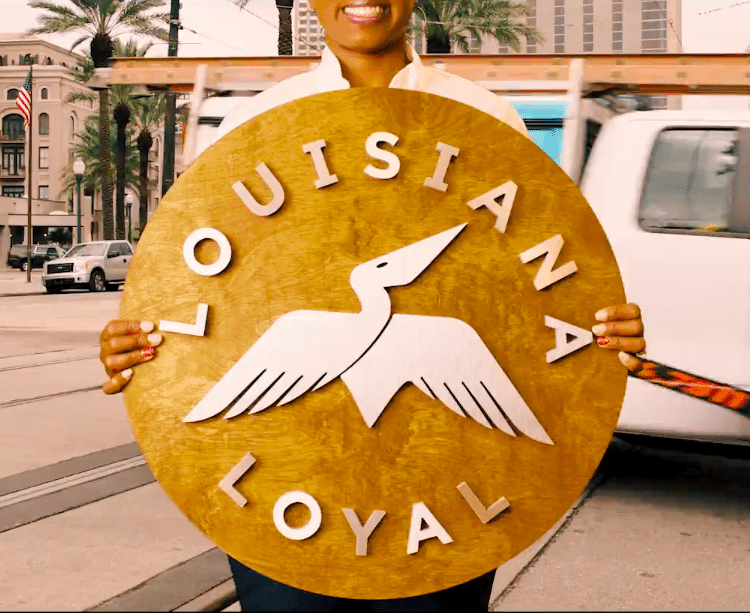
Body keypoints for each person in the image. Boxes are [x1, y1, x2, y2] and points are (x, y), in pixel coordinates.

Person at [95, 0, 647, 610]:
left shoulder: (483, 118)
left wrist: (598, 330)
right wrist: (140, 343)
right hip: (285, 488)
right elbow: (203, 290)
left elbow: (527, 289)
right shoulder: (259, 124)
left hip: (439, 495)